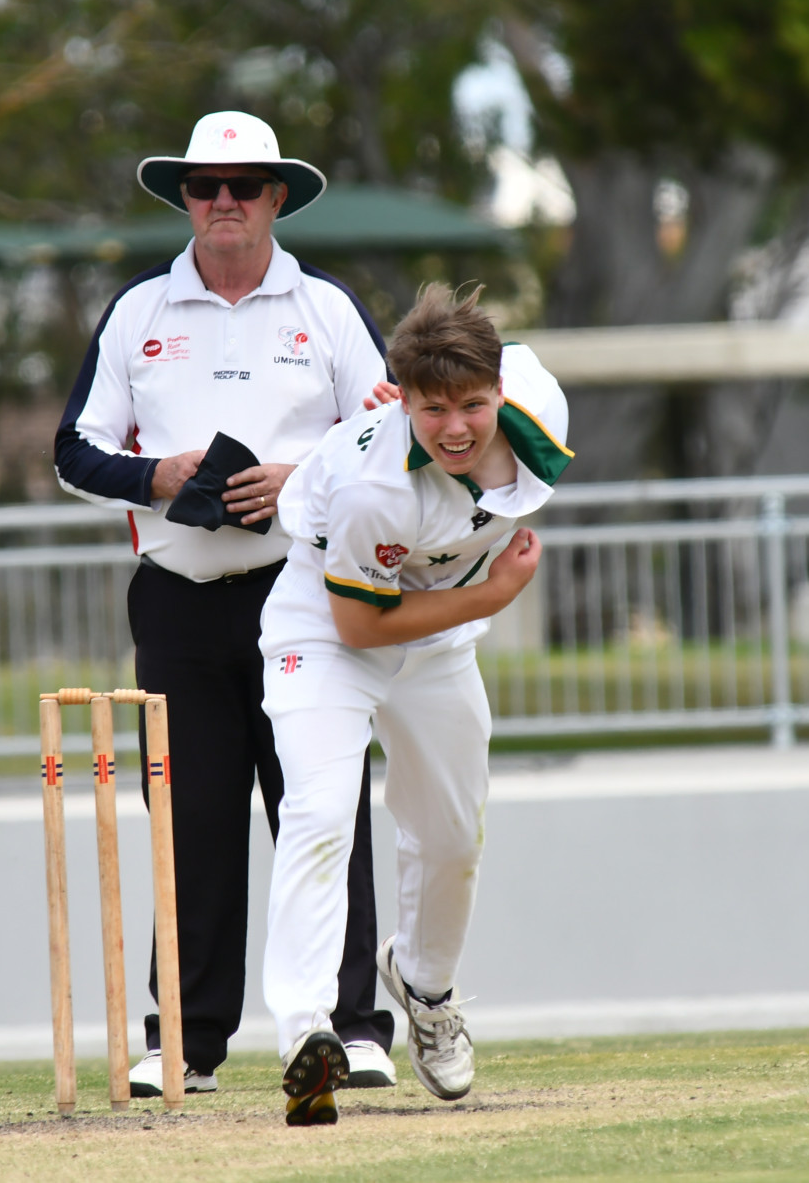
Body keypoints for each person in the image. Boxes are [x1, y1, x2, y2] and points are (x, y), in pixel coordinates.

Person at [53, 111, 398, 1096]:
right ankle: (187, 1041)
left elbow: (389, 442)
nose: (222, 202)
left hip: (303, 595)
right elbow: (74, 450)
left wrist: (297, 474)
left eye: (242, 186)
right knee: (189, 816)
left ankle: (353, 1027)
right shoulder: (139, 313)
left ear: (276, 197)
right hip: (178, 595)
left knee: (323, 807)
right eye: (204, 186)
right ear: (185, 200)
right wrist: (155, 476)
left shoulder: (325, 310)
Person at [256, 284, 572, 1125]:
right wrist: (492, 596)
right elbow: (360, 623)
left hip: (435, 639)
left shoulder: (541, 408)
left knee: (453, 835)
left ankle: (426, 988)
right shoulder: (373, 487)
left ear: (503, 388)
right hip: (326, 627)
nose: (459, 427)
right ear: (400, 398)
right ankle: (304, 1031)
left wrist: (472, 602)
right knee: (320, 812)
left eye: (474, 403)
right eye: (434, 409)